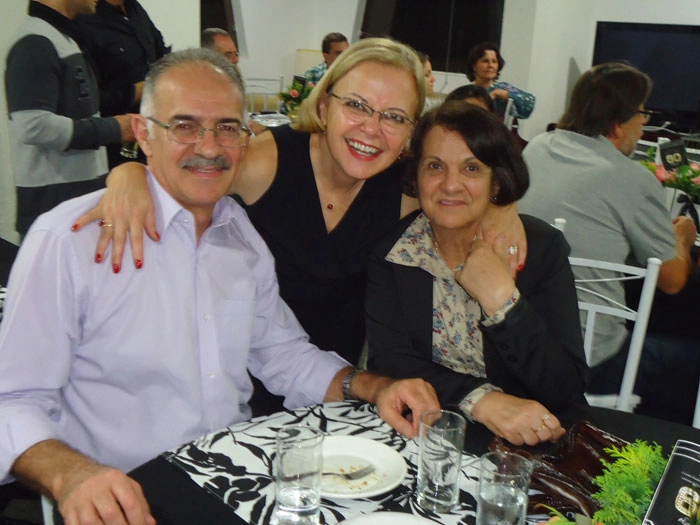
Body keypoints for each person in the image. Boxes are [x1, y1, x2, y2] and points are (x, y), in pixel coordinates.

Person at [0, 48, 439, 525]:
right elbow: (13, 399)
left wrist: (373, 386)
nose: (209, 147)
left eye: (227, 127)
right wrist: (72, 477)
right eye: (184, 126)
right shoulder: (70, 241)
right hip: (120, 498)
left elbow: (283, 355)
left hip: (231, 486)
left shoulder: (241, 238)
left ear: (245, 138)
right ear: (144, 134)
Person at [71, 37, 526, 390]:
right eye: (357, 106)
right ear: (325, 106)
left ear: (410, 131)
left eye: (393, 116)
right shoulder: (266, 162)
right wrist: (130, 172)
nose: (372, 129)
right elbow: (189, 167)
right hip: (234, 375)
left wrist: (503, 208)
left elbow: (467, 190)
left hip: (332, 386)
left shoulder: (403, 189)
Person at [366, 101, 586, 446]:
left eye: (471, 168)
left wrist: (502, 301)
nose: (450, 185)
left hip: (529, 448)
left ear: (496, 183)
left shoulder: (541, 249)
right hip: (430, 437)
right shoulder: (395, 254)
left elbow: (565, 388)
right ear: (416, 177)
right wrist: (480, 399)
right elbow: (391, 360)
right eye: (435, 166)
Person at [519, 62, 696, 397]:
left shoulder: (538, 147)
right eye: (643, 114)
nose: (644, 126)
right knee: (689, 354)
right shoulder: (631, 178)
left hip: (524, 338)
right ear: (617, 125)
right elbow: (672, 281)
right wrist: (683, 237)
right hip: (590, 357)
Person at [5, 0, 135, 237]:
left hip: (75, 204)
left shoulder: (62, 39)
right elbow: (32, 126)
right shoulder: (36, 42)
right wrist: (113, 128)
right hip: (52, 211)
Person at [76, 0, 169, 168]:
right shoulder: (86, 20)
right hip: (114, 144)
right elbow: (88, 99)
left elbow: (161, 54)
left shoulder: (135, 9)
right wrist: (136, 92)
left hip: (152, 131)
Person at [465, 41, 535, 120]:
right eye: (485, 61)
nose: (490, 65)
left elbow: (528, 103)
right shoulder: (467, 92)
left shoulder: (502, 88)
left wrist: (505, 94)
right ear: (474, 66)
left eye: (494, 61)